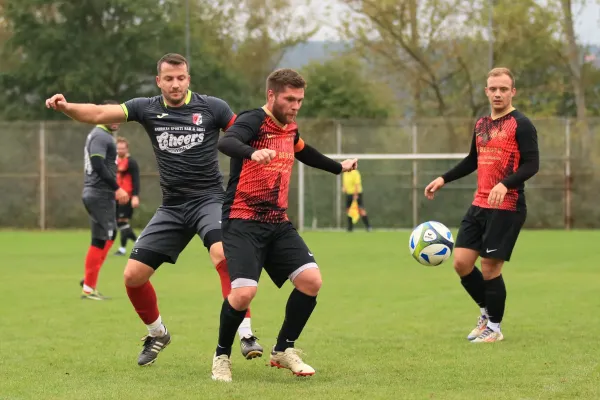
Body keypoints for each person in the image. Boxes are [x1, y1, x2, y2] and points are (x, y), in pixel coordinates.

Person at [45, 53, 262, 366]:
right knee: (133, 276)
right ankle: (157, 333)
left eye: (181, 78)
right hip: (172, 207)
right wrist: (66, 107)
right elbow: (97, 113)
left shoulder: (213, 107)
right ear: (158, 81)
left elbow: (244, 132)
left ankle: (245, 333)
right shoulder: (145, 107)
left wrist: (266, 152)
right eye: (169, 79)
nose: (175, 84)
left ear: (189, 79)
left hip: (209, 200)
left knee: (223, 254)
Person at [211, 68, 357, 382]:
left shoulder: (290, 128)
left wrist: (339, 167)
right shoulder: (252, 120)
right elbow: (227, 143)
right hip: (242, 220)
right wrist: (253, 152)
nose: (295, 105)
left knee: (311, 281)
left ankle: (282, 350)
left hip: (277, 223)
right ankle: (221, 355)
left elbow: (305, 152)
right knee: (244, 293)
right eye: (289, 99)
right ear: (271, 95)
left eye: (300, 100)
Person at [424, 67, 539, 343]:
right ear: (486, 91)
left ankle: (495, 329)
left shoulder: (521, 124)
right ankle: (486, 314)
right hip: (479, 204)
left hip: (507, 205)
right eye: (493, 89)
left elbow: (532, 165)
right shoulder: (481, 124)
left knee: (490, 268)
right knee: (462, 263)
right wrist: (443, 178)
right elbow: (472, 160)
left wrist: (505, 183)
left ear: (513, 91)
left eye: (503, 89)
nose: (497, 93)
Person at [80, 101, 129, 300]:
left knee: (100, 238)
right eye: (111, 115)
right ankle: (89, 284)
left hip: (98, 194)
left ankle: (89, 283)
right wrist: (117, 188)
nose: (116, 119)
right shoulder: (101, 136)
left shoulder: (102, 135)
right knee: (107, 236)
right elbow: (98, 164)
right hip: (99, 193)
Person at [114, 137, 141, 256]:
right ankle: (125, 248)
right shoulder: (115, 161)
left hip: (127, 196)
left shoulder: (131, 162)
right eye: (118, 148)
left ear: (127, 149)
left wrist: (135, 196)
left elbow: (136, 180)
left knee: (122, 221)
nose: (120, 150)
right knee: (121, 222)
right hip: (115, 196)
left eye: (122, 148)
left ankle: (138, 243)